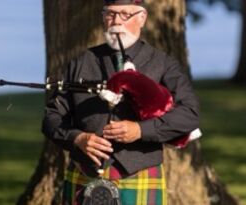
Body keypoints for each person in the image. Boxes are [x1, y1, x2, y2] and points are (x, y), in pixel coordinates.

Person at [42, 0, 200, 204]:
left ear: (141, 18)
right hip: (85, 174)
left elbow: (189, 115)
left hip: (139, 173)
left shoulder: (163, 64)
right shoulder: (82, 62)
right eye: (110, 14)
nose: (116, 21)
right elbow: (52, 118)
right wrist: (77, 138)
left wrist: (141, 130)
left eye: (125, 14)